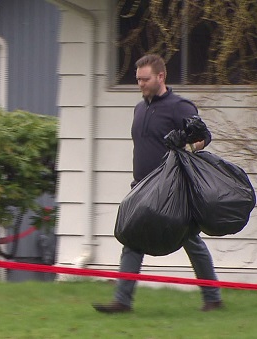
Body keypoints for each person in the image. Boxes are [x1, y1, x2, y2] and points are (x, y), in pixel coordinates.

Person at [92, 54, 223, 314]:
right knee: (132, 239)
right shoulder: (140, 108)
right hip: (141, 187)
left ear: (161, 77)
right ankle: (122, 301)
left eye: (145, 79)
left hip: (171, 189)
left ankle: (213, 298)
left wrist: (186, 139)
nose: (140, 84)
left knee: (190, 240)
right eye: (138, 79)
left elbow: (203, 138)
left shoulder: (179, 106)